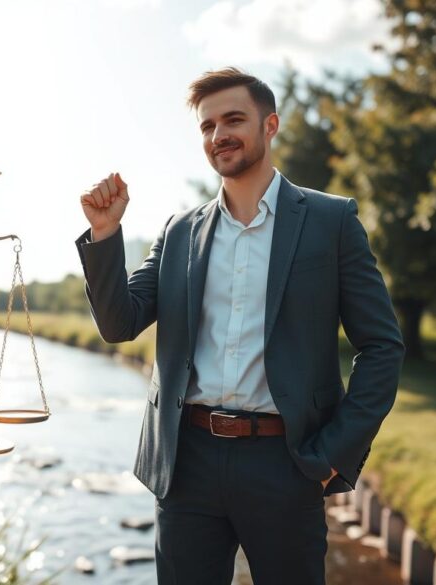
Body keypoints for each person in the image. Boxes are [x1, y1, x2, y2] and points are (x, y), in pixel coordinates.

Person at [74, 68, 404, 584]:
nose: (218, 135)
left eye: (233, 119)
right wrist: (105, 234)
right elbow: (119, 324)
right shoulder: (179, 231)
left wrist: (332, 456)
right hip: (187, 463)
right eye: (207, 126)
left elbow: (382, 346)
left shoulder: (331, 221)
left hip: (287, 463)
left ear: (269, 125)